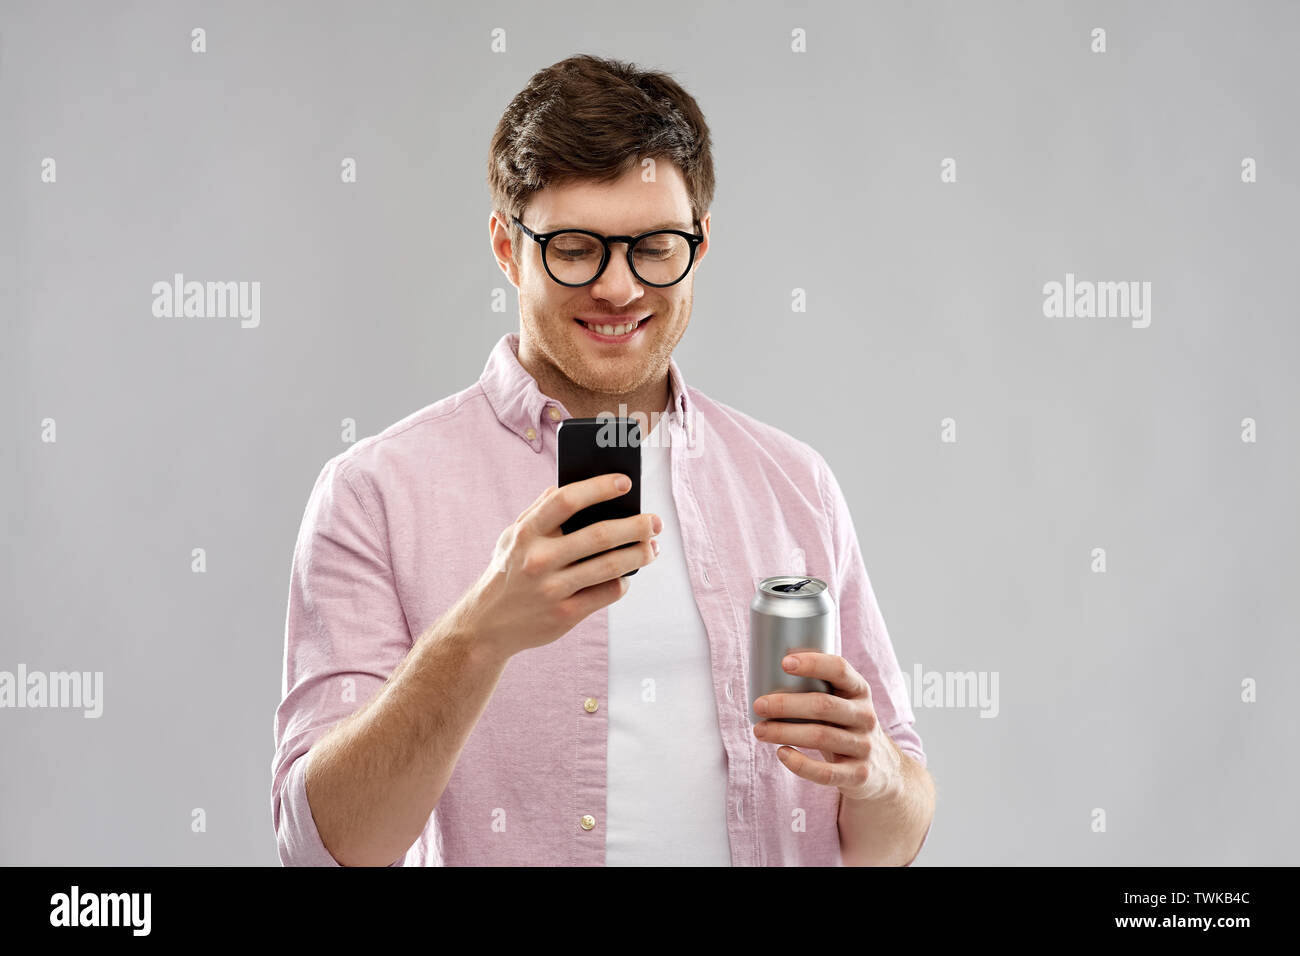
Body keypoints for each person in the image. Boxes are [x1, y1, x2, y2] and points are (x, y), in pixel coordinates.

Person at [272, 53, 935, 867]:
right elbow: (323, 847)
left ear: (699, 244)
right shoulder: (375, 494)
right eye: (577, 248)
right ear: (508, 250)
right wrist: (479, 635)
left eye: (655, 246)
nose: (620, 289)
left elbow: (895, 835)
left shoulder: (795, 484)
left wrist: (874, 779)